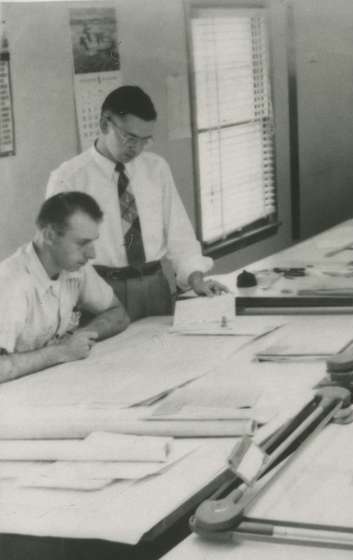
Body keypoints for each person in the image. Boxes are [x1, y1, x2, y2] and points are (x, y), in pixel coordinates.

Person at [46, 85, 227, 322]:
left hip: (155, 286)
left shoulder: (156, 168)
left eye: (145, 140)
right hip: (101, 294)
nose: (137, 148)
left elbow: (179, 233)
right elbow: (62, 253)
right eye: (129, 138)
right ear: (104, 125)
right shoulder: (68, 178)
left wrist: (196, 278)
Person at [0, 192, 130, 384]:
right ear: (50, 235)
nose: (92, 254)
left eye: (93, 242)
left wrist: (83, 335)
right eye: (82, 243)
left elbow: (119, 313)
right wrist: (62, 351)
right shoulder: (11, 282)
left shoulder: (74, 266)